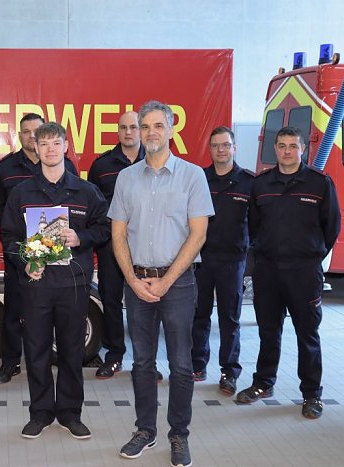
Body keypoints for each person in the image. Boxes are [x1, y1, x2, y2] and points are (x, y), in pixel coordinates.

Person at [109, 101, 213, 465]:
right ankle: (145, 431)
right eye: (144, 126)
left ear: (170, 130)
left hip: (179, 283)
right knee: (142, 363)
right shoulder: (126, 178)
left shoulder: (193, 176)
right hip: (136, 283)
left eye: (157, 125)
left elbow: (198, 234)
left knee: (182, 364)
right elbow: (118, 234)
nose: (150, 132)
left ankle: (178, 434)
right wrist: (132, 280)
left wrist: (167, 281)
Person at [0, 122, 109, 440]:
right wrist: (23, 264)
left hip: (73, 285)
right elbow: (8, 236)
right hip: (36, 286)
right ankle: (41, 413)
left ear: (65, 146)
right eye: (42, 143)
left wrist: (81, 236)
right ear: (35, 147)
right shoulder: (21, 193)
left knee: (73, 352)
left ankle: (70, 413)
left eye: (55, 142)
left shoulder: (85, 191)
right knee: (35, 351)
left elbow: (105, 228)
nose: (49, 148)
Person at [235, 126, 341, 420]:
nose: (286, 151)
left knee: (307, 334)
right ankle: (263, 383)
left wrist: (311, 254)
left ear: (302, 149)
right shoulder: (262, 184)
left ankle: (311, 394)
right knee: (269, 332)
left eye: (292, 146)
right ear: (275, 149)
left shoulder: (319, 183)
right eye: (281, 146)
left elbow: (331, 227)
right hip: (268, 271)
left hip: (304, 272)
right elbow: (253, 226)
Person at [0, 113, 78, 384]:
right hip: (22, 255)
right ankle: (10, 362)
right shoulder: (6, 168)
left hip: (60, 258)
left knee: (58, 314)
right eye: (26, 132)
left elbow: (75, 207)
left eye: (36, 131)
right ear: (22, 136)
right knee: (14, 309)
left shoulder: (67, 166)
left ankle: (59, 363)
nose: (31, 136)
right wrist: (24, 235)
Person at [191, 126, 253, 395]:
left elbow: (260, 223)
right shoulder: (199, 179)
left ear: (234, 148)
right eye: (215, 145)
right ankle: (197, 365)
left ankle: (229, 371)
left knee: (230, 318)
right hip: (201, 259)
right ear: (210, 149)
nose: (220, 150)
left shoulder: (249, 183)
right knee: (199, 315)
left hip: (232, 261)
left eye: (225, 145)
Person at [87, 111, 145, 379]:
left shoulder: (154, 160)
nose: (129, 132)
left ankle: (147, 362)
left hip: (147, 246)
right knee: (110, 300)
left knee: (144, 302)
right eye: (123, 127)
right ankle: (114, 356)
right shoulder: (101, 166)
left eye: (133, 127)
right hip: (112, 246)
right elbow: (92, 208)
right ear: (118, 131)